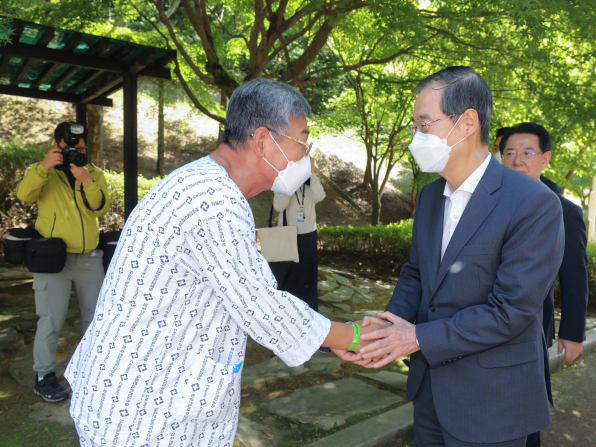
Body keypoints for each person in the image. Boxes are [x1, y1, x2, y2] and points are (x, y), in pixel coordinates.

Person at [64, 78, 382, 447]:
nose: (306, 156)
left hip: (145, 389)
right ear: (263, 140)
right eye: (302, 142)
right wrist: (351, 335)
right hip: (145, 406)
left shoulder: (202, 182)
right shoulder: (214, 199)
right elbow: (260, 303)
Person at [348, 66, 565, 446]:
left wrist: (414, 339)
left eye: (424, 124)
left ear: (467, 124)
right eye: (413, 127)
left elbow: (510, 310)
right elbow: (416, 273)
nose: (415, 137)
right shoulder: (432, 197)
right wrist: (387, 325)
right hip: (430, 393)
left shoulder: (534, 203)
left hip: (493, 401)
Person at [500, 122, 589, 447]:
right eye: (509, 153)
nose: (516, 160)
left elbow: (574, 277)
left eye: (526, 153)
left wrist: (572, 332)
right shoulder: (488, 202)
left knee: (526, 411)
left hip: (531, 326)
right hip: (480, 324)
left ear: (545, 158)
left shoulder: (565, 212)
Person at [16, 122, 111, 403]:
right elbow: (24, 195)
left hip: (90, 259)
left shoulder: (93, 173)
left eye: (82, 149)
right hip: (52, 261)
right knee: (51, 320)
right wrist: (44, 167)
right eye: (71, 149)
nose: (78, 154)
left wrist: (87, 181)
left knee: (96, 320)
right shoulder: (42, 172)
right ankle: (44, 376)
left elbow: (101, 207)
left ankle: (96, 370)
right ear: (58, 145)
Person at [271, 160, 326, 311]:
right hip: (286, 235)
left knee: (307, 279)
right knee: (284, 277)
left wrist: (312, 174)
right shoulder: (282, 181)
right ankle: (283, 311)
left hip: (307, 236)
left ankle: (308, 313)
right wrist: (288, 182)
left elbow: (320, 196)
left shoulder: (311, 183)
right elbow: (279, 206)